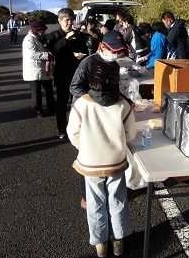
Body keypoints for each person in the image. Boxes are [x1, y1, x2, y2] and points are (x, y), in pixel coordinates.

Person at [67, 61, 136, 258]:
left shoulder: (81, 104)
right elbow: (130, 134)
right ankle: (118, 240)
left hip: (90, 163)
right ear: (115, 82)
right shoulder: (123, 105)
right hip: (116, 161)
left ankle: (100, 243)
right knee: (118, 200)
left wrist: (85, 145)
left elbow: (73, 134)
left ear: (92, 81)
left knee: (95, 202)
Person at [70, 29, 129, 209]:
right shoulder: (89, 62)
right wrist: (92, 102)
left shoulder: (115, 66)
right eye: (113, 50)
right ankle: (86, 197)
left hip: (108, 114)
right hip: (88, 114)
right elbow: (74, 87)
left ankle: (109, 192)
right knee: (89, 156)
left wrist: (128, 101)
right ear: (103, 47)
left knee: (107, 152)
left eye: (119, 51)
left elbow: (115, 91)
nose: (116, 55)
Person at [47, 8, 88, 140]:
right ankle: (62, 129)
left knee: (77, 102)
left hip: (77, 72)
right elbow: (54, 51)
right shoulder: (53, 35)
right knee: (62, 103)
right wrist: (66, 38)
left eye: (71, 20)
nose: (69, 23)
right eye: (67, 20)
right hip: (62, 73)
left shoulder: (79, 35)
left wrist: (81, 55)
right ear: (59, 21)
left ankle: (77, 127)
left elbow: (85, 50)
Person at [22, 20, 56, 117]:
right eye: (41, 30)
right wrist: (46, 55)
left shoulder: (42, 38)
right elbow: (31, 54)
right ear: (35, 30)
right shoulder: (29, 39)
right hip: (33, 69)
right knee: (36, 92)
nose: (43, 32)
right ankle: (38, 110)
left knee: (49, 90)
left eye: (43, 30)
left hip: (43, 69)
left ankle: (52, 107)